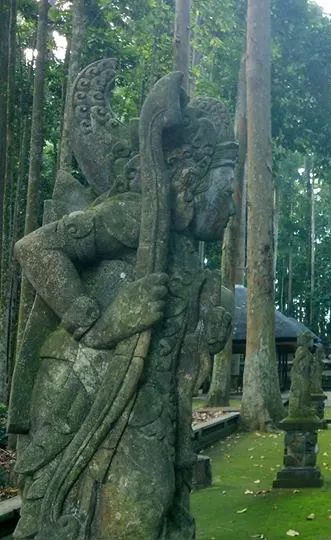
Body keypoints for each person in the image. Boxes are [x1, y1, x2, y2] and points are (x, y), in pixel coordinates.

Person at [9, 61, 235, 539]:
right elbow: (34, 248)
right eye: (227, 190)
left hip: (148, 403)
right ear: (189, 177)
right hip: (89, 387)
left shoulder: (180, 251)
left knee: (160, 512)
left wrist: (207, 316)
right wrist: (102, 323)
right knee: (138, 511)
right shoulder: (134, 216)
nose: (230, 208)